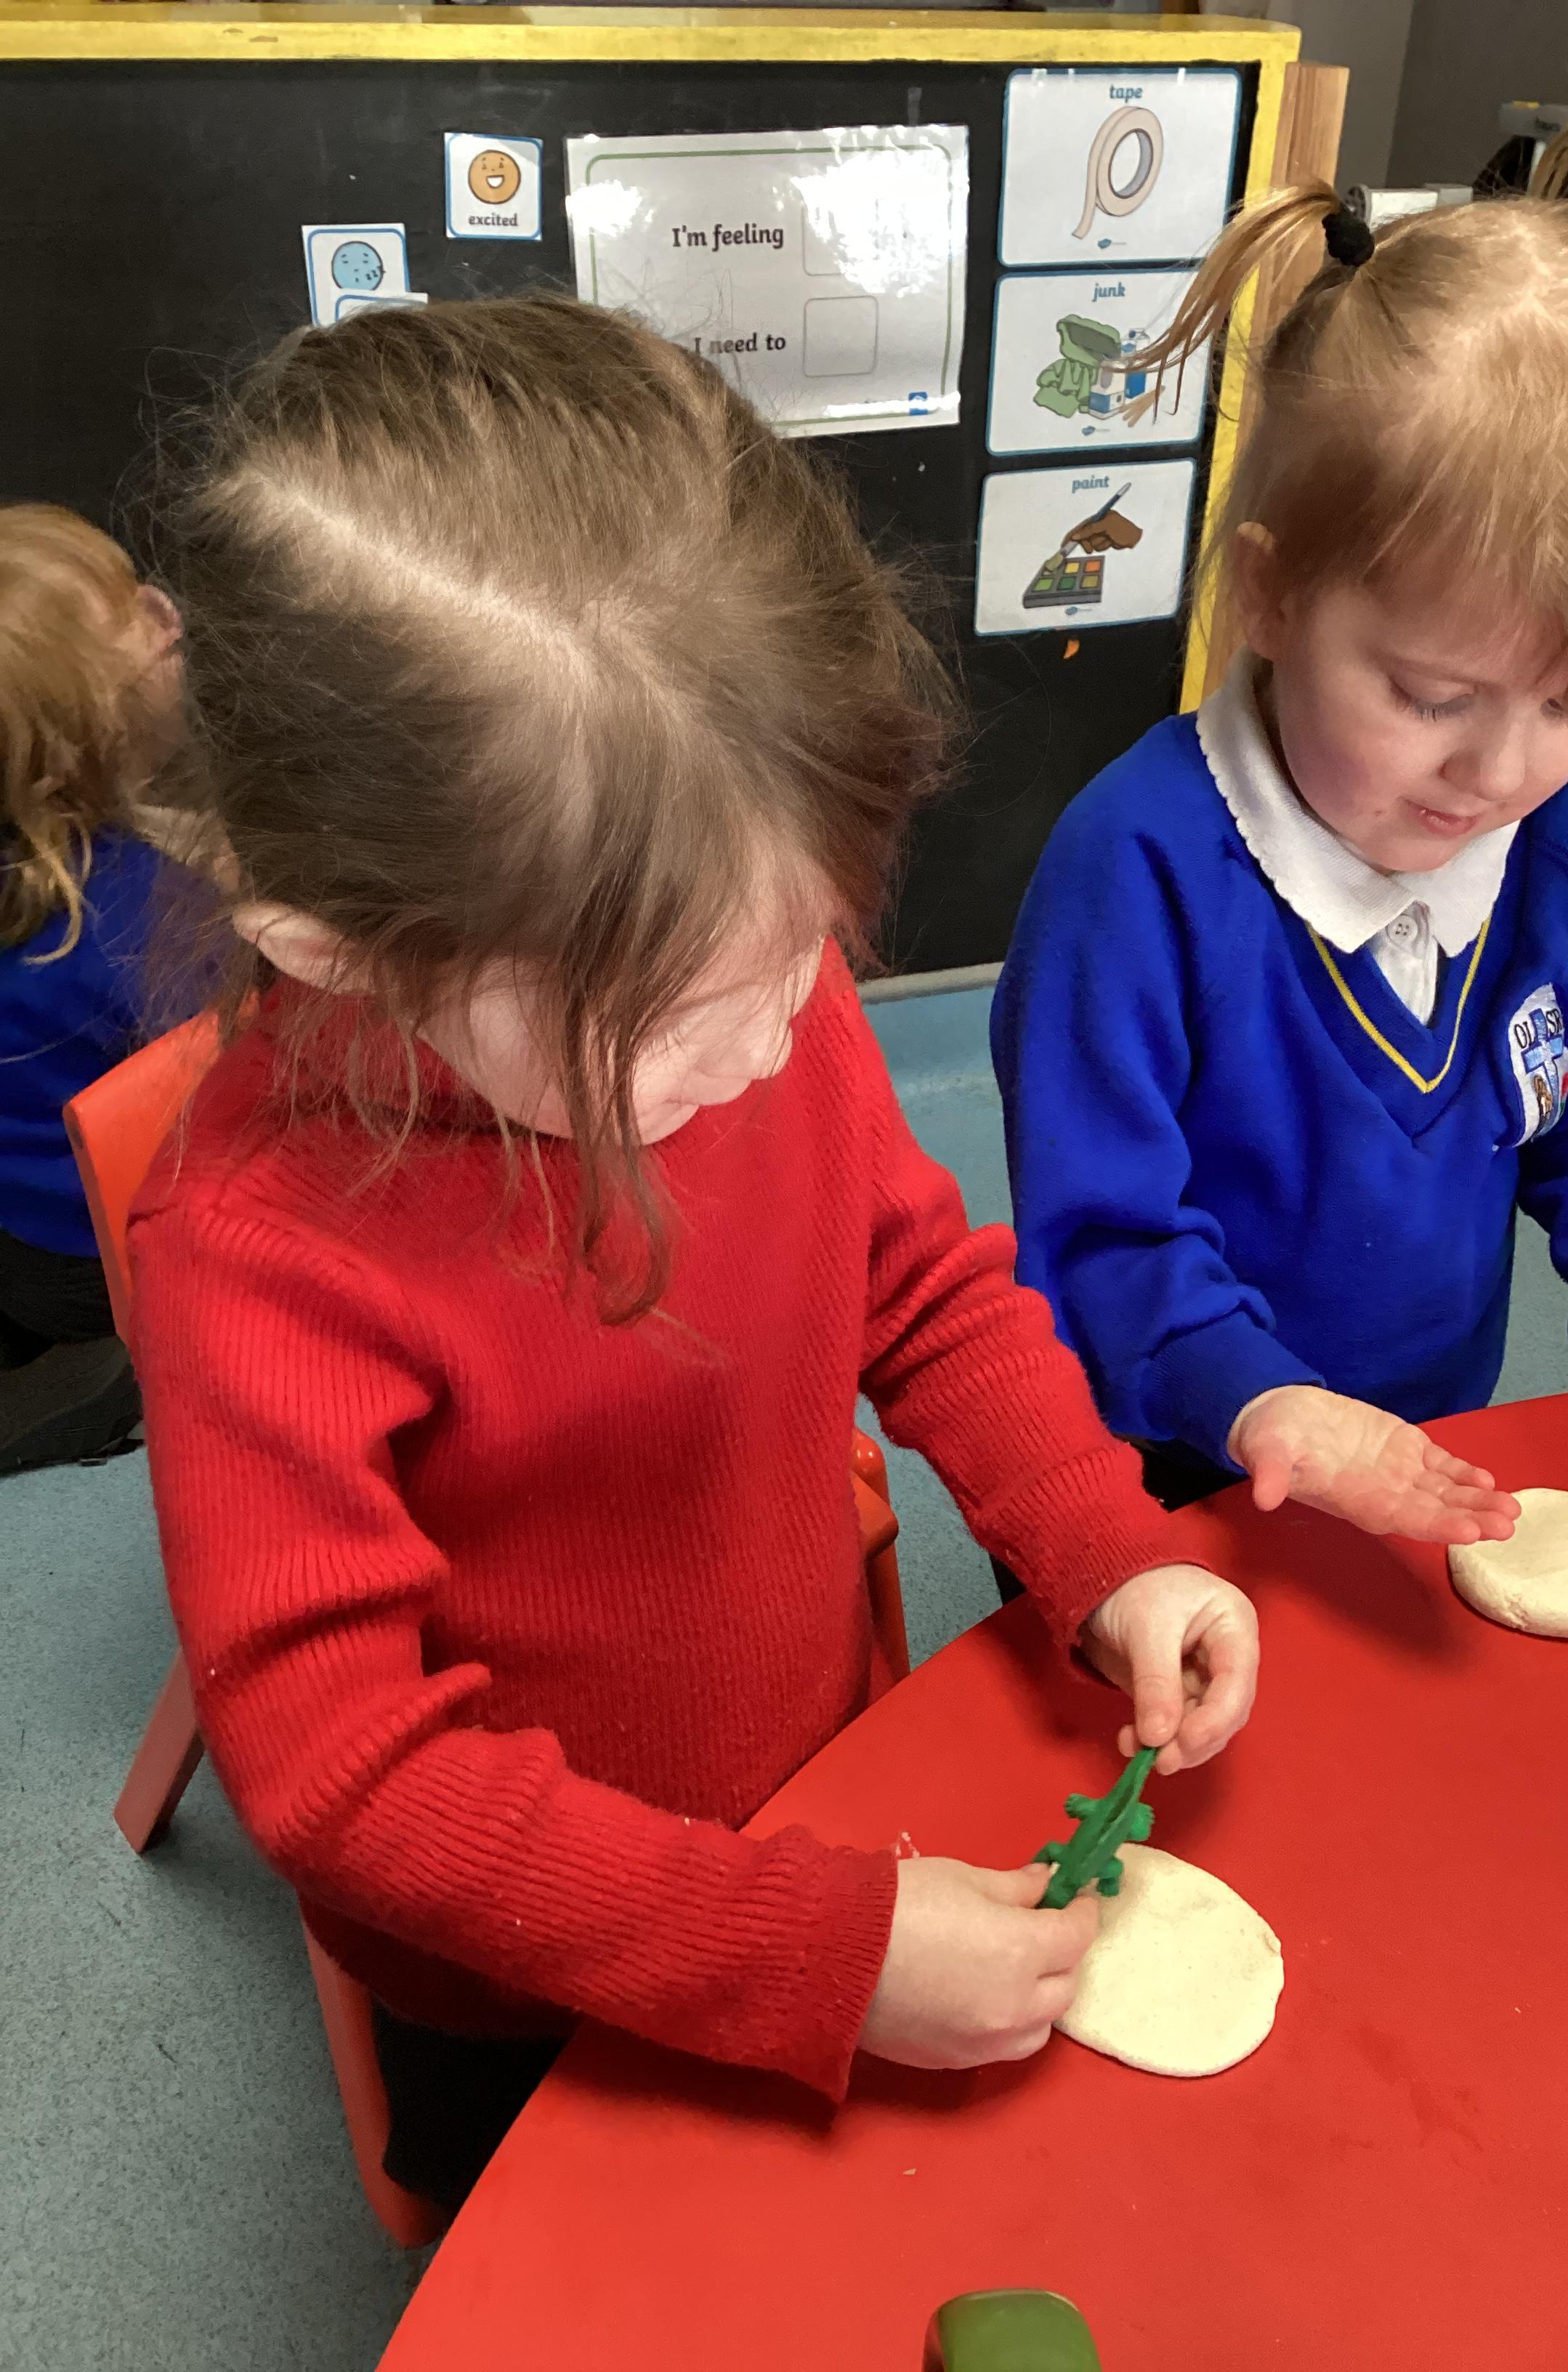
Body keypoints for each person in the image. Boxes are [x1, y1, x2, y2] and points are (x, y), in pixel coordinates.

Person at [127, 296, 1261, 2215]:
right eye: (676, 1018)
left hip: (825, 1789)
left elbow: (918, 1283)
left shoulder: (747, 990)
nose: (777, 1040)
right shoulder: (257, 1253)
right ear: (343, 945)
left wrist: (1102, 1538)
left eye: (804, 946)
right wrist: (806, 1950)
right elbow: (350, 1776)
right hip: (528, 1979)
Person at [992, 92, 1568, 1558]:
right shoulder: (1138, 870)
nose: (1499, 770)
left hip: (1422, 1461)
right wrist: (1259, 1399)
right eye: (1431, 696)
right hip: (1157, 1475)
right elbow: (1101, 1226)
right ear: (1273, 594)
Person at [0, 504, 185, 1474]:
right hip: (82, 1256)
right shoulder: (147, 916)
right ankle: (97, 1394)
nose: (161, 609)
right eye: (128, 610)